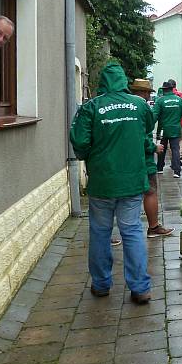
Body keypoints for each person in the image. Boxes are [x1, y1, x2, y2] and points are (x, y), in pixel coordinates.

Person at [69, 61, 153, 304]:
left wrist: (91, 156)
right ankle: (140, 288)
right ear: (124, 81)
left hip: (103, 182)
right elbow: (147, 127)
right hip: (131, 182)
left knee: (100, 232)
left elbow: (80, 142)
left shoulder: (91, 107)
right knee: (132, 231)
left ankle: (101, 284)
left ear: (103, 82)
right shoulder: (139, 104)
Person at [130, 79, 175, 238]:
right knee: (150, 191)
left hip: (126, 158)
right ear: (143, 93)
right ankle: (153, 227)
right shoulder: (142, 106)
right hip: (144, 157)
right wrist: (153, 147)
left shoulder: (123, 105)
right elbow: (143, 132)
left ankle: (116, 233)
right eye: (148, 92)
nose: (150, 95)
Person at [154, 80, 182, 177]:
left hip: (164, 129)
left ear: (164, 90)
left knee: (162, 148)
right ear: (172, 89)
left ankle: (160, 168)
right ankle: (177, 171)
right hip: (175, 128)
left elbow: (154, 115)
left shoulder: (160, 100)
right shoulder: (179, 100)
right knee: (175, 149)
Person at [167, 78, 182, 165]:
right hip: (181, 122)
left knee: (170, 141)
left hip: (168, 123)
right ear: (175, 86)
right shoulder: (181, 95)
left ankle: (173, 160)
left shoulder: (165, 96)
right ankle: (180, 156)